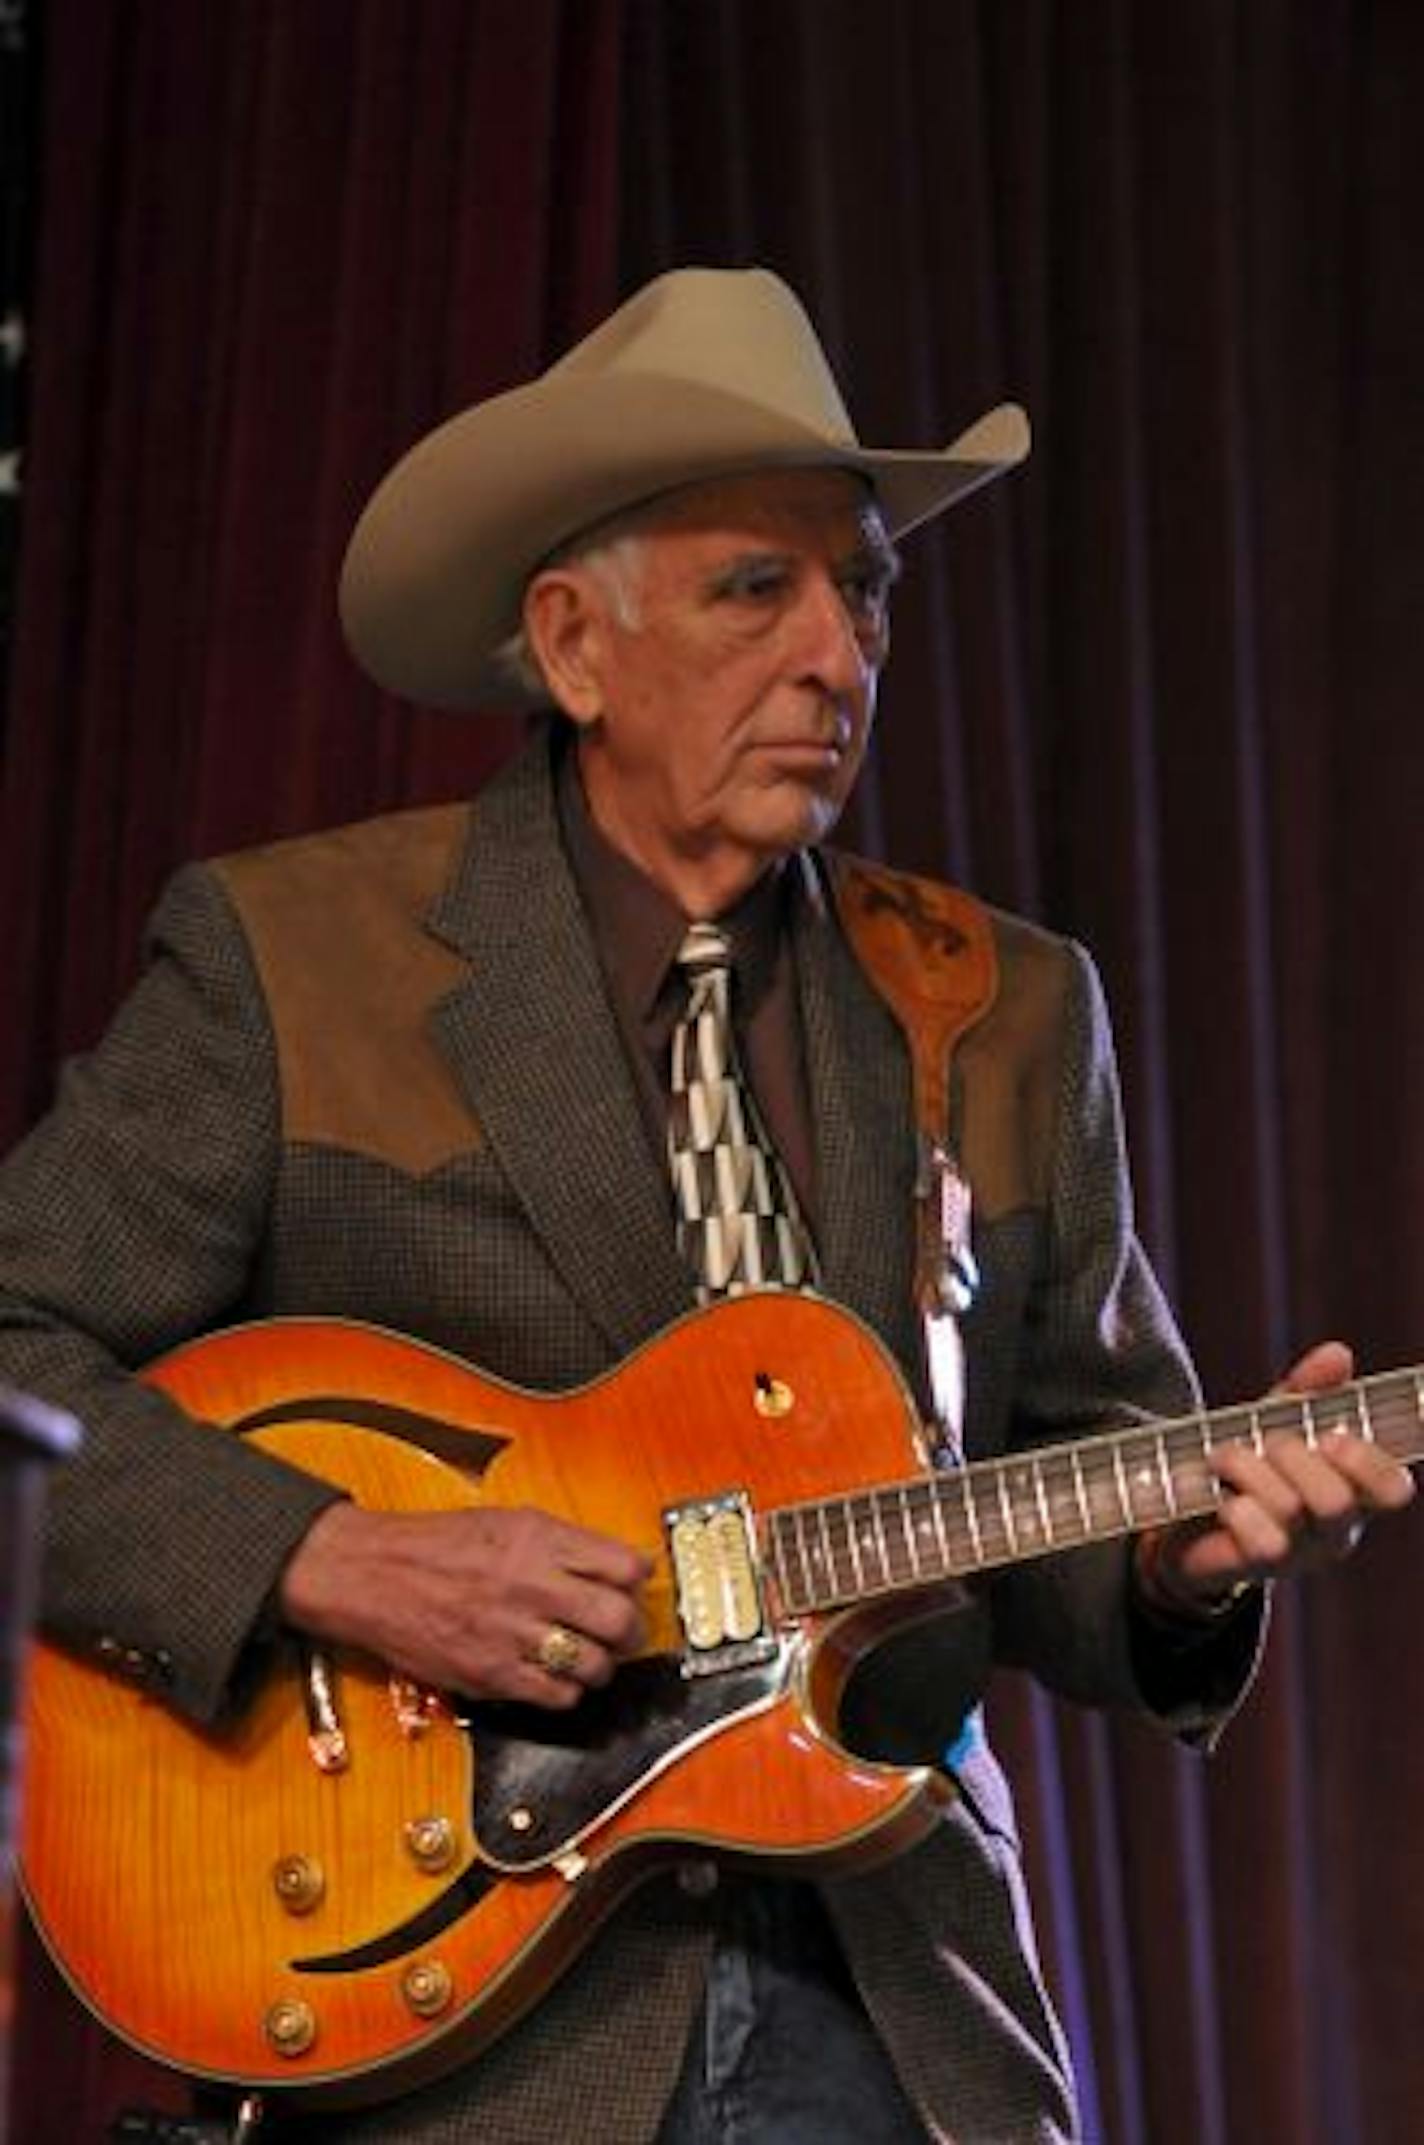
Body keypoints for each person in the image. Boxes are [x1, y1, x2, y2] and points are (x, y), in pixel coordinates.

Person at [0, 267, 1411, 2145]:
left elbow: (1077, 1470)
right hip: (452, 2025)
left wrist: (1179, 1561)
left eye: (868, 594)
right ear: (576, 645)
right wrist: (323, 1555)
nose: (839, 656)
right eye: (764, 590)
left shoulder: (1004, 1007)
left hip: (890, 2008)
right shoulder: (292, 957)